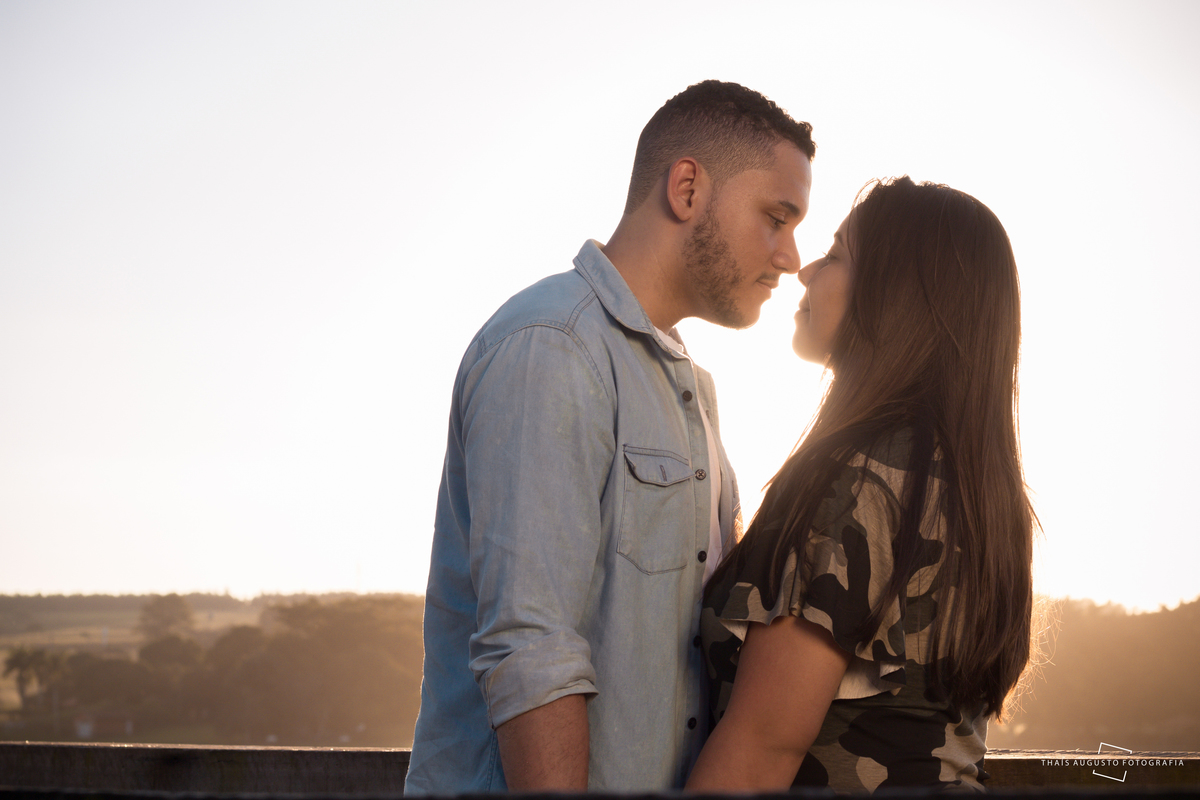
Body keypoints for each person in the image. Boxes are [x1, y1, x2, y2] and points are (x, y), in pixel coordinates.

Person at [404, 80, 816, 794]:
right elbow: (531, 648)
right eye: (776, 218)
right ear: (687, 188)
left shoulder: (696, 390)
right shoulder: (552, 347)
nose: (792, 258)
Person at [686, 177, 1035, 793]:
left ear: (897, 294)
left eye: (839, 254)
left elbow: (760, 755)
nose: (805, 270)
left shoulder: (857, 479)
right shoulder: (976, 492)